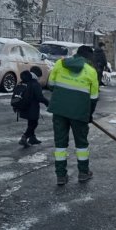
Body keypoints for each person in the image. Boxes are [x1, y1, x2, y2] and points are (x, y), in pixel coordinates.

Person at [47, 45, 99, 186]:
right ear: (89, 58)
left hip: (59, 110)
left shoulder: (60, 63)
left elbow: (50, 84)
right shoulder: (91, 71)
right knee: (81, 144)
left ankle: (61, 176)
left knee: (60, 144)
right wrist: (89, 114)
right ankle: (83, 173)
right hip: (79, 113)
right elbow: (94, 98)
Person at [18, 66, 49, 148]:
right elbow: (40, 97)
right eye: (39, 76)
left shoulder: (24, 81)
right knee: (34, 124)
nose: (39, 78)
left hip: (24, 106)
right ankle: (24, 137)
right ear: (37, 75)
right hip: (32, 108)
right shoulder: (35, 84)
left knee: (31, 122)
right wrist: (48, 103)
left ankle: (32, 138)